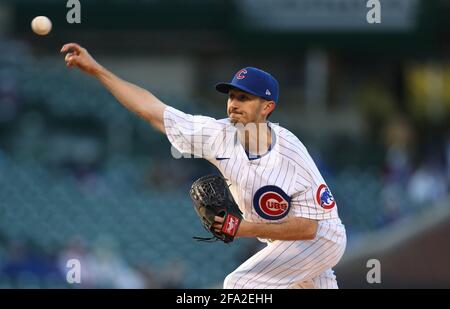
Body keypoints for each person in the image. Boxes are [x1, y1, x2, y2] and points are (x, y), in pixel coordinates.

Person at [61, 43, 347, 289]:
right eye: (232, 96)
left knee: (240, 285)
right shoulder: (215, 136)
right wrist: (97, 70)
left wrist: (241, 228)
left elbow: (310, 227)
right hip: (283, 244)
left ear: (267, 107)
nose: (233, 103)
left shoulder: (290, 153)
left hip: (321, 237)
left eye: (244, 97)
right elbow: (152, 110)